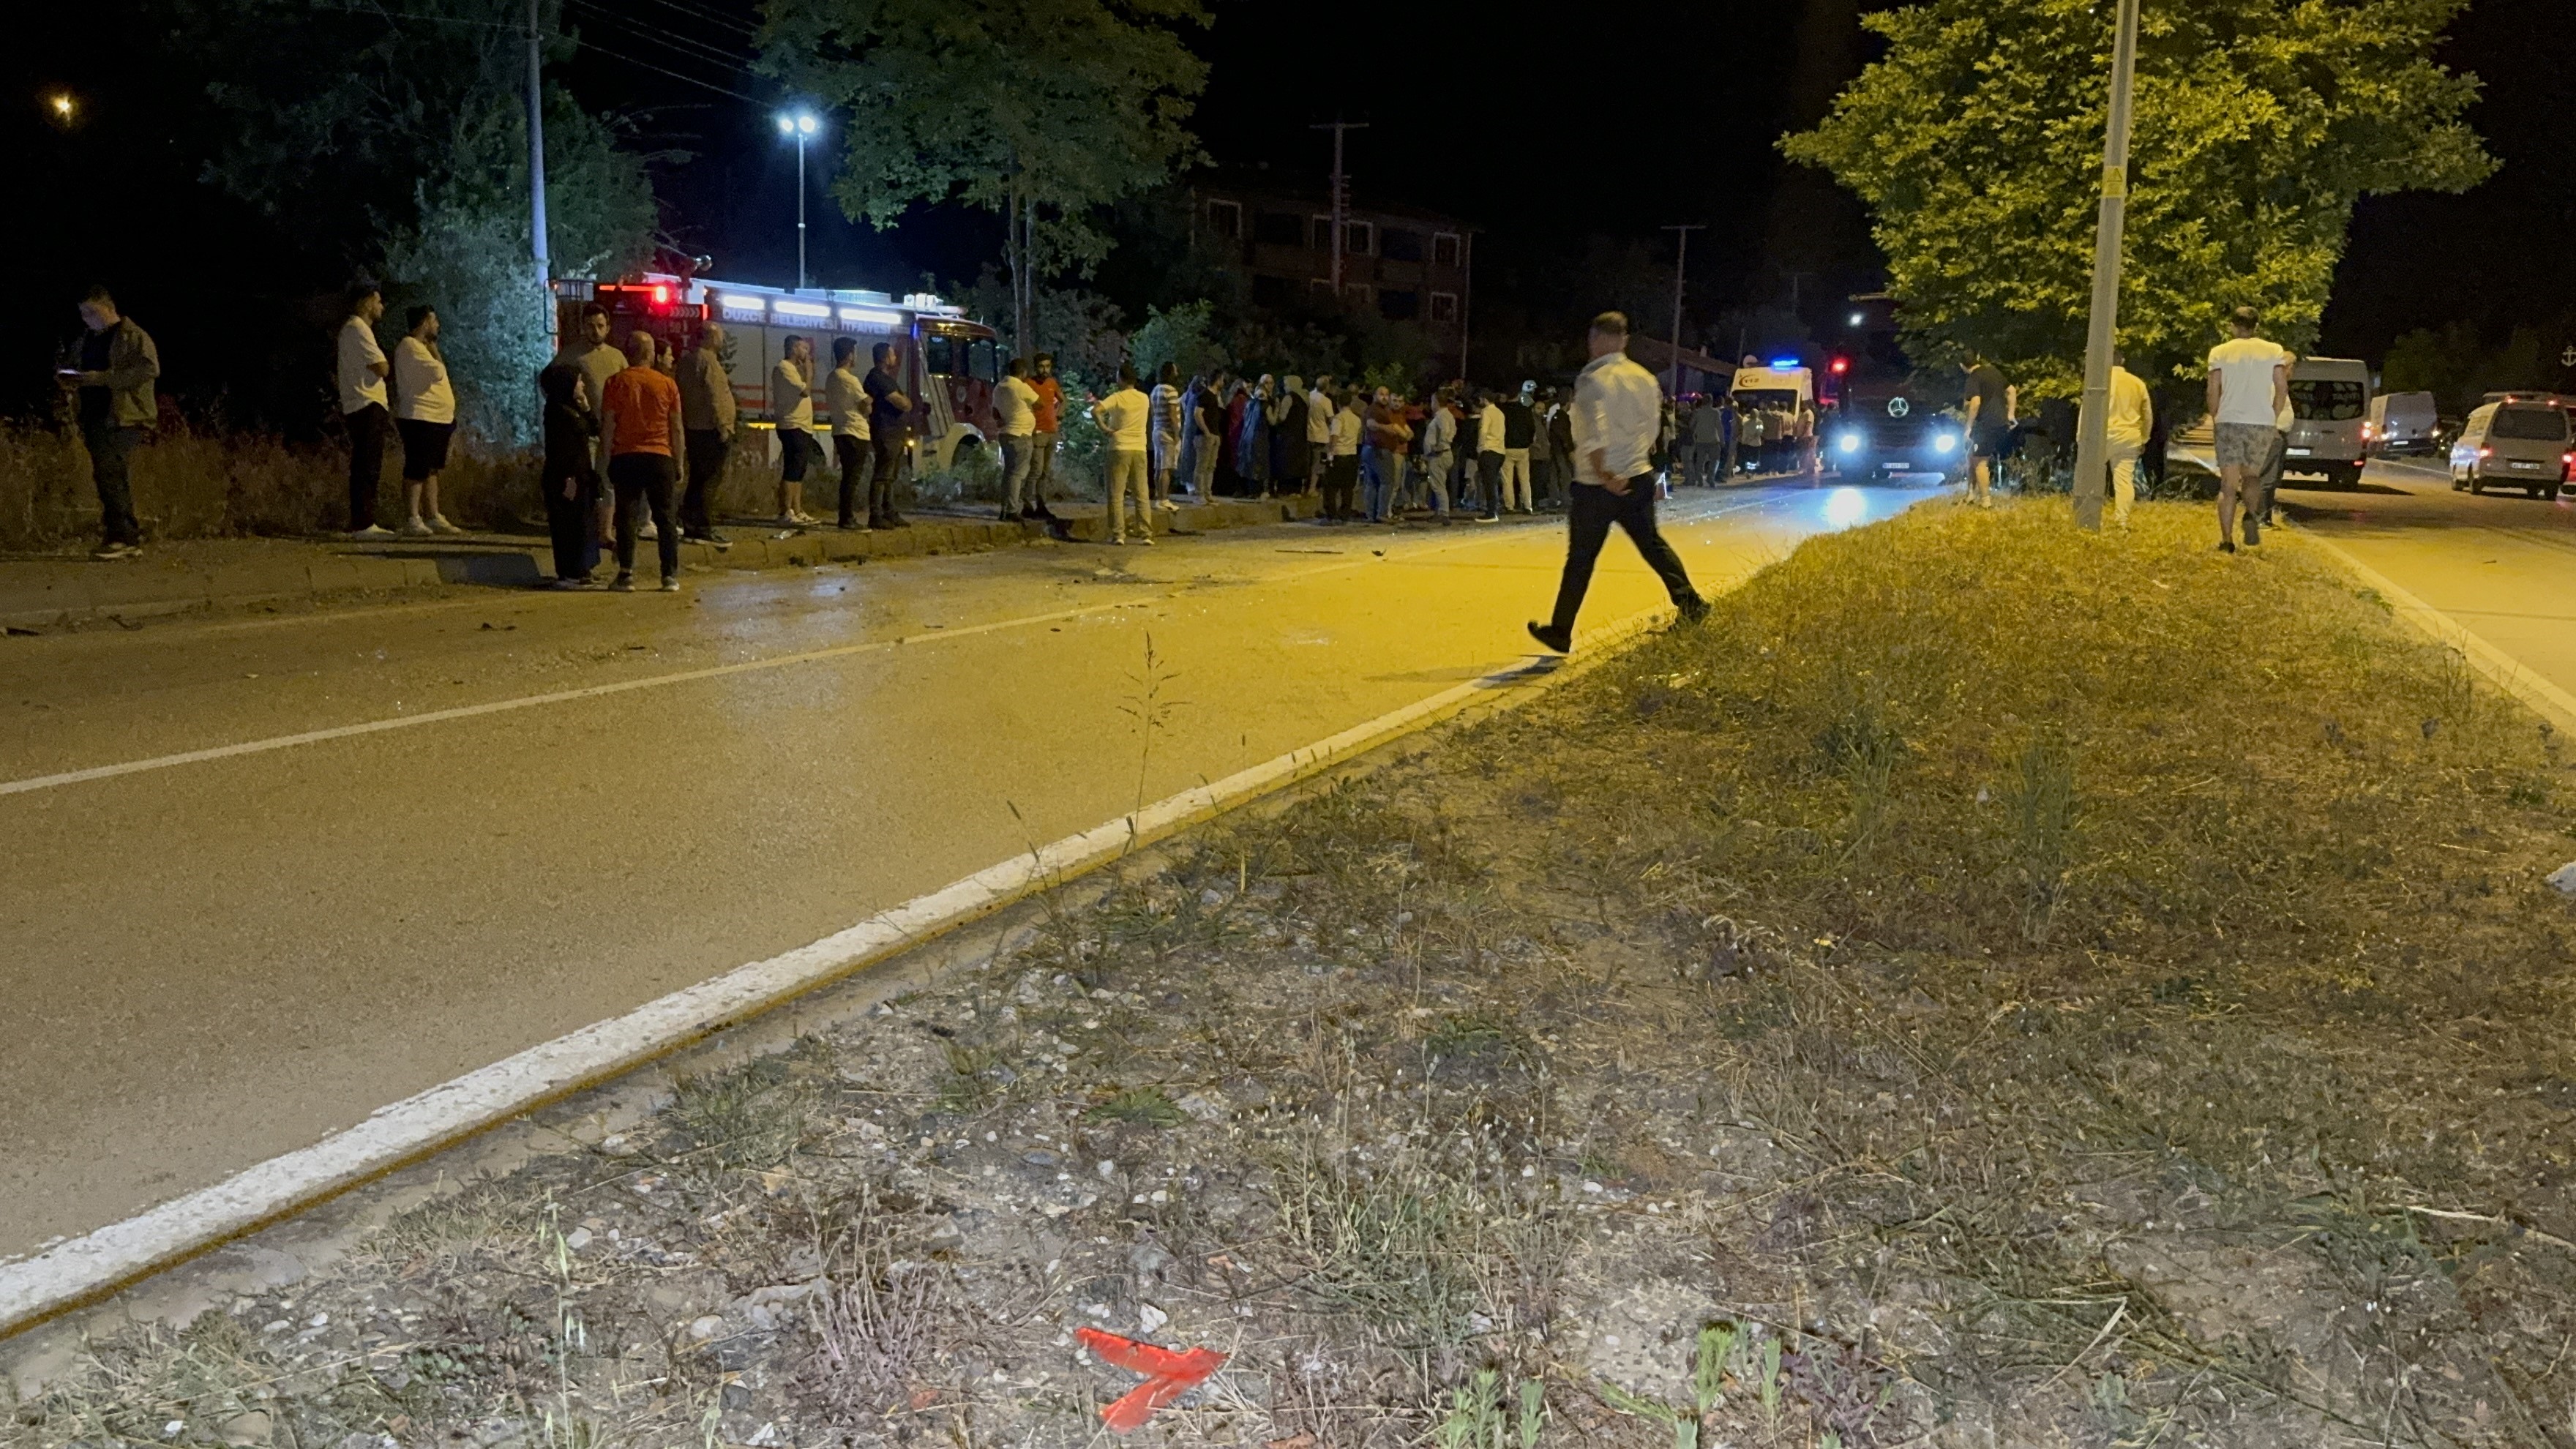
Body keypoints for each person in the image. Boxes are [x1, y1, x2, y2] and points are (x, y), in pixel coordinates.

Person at [1527, 312, 1707, 654]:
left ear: (1598, 338)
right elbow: (1653, 428)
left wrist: (1606, 475)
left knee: (1581, 558)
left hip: (1599, 484)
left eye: (1592, 339)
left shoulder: (1593, 379)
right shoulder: (1644, 378)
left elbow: (1595, 433)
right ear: (1623, 339)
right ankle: (1692, 604)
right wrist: (1636, 465)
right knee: (1652, 544)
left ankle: (1561, 631)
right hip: (1637, 476)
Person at [59, 286, 160, 560]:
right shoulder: (87, 338)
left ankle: (123, 538)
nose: (87, 318)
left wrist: (100, 378)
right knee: (108, 474)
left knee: (110, 472)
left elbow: (150, 369)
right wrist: (72, 378)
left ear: (108, 308)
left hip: (125, 416)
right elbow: (77, 367)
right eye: (83, 313)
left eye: (92, 312)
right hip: (95, 415)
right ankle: (125, 536)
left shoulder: (132, 336)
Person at [599, 330, 684, 591]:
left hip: (626, 457)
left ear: (628, 353)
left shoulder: (615, 383)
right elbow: (676, 428)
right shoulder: (667, 385)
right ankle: (669, 576)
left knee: (627, 515)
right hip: (660, 456)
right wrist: (679, 461)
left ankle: (626, 574)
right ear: (651, 355)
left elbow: (608, 427)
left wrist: (604, 461)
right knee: (666, 517)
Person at [2206, 305, 2289, 552]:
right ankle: (2251, 514)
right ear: (2257, 326)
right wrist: (2272, 415)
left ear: (2232, 325)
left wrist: (2215, 416)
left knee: (2228, 485)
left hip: (2229, 420)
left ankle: (2227, 541)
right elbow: (2281, 387)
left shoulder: (2219, 352)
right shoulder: (2273, 350)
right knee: (2252, 476)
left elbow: (2213, 389)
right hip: (2261, 421)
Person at [559, 302, 626, 545]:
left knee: (608, 481)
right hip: (583, 432)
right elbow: (552, 384)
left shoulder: (617, 357)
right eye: (590, 326)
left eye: (600, 326)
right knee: (584, 481)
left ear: (608, 328)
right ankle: (583, 530)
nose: (595, 331)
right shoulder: (571, 355)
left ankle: (605, 533)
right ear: (582, 327)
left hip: (610, 432)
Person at [390, 305, 460, 535]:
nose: (438, 325)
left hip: (437, 418)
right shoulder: (410, 346)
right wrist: (435, 354)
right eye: (434, 320)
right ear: (424, 322)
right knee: (417, 467)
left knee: (431, 469)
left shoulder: (423, 348)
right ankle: (412, 517)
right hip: (421, 416)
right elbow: (437, 372)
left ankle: (433, 514)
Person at [537, 360, 602, 586]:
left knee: (582, 524)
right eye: (579, 381)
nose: (582, 385)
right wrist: (570, 480)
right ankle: (570, 572)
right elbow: (561, 451)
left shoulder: (572, 408)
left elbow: (596, 429)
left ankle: (582, 569)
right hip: (566, 477)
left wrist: (585, 407)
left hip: (580, 476)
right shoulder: (557, 411)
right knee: (569, 525)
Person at [337, 283, 392, 537]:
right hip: (367, 402)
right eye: (378, 301)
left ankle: (362, 520)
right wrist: (382, 365)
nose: (382, 307)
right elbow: (382, 367)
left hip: (362, 403)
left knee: (365, 463)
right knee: (368, 464)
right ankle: (363, 522)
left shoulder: (354, 330)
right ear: (367, 302)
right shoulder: (358, 329)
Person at [675, 321, 734, 549]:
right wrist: (723, 425)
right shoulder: (709, 361)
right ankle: (703, 527)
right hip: (710, 429)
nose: (722, 340)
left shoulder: (687, 360)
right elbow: (715, 395)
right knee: (710, 479)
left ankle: (690, 524)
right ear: (709, 337)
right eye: (719, 336)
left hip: (693, 426)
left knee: (697, 478)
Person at [1094, 363, 1154, 545]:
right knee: (1141, 493)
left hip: (1119, 447)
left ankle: (1118, 534)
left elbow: (1096, 410)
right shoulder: (1144, 398)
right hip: (1139, 448)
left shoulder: (1117, 398)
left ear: (1120, 378)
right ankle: (1145, 533)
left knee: (1116, 493)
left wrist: (1105, 428)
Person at [862, 340, 912, 528]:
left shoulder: (885, 378)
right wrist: (906, 402)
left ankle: (889, 512)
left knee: (890, 475)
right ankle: (876, 515)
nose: (895, 358)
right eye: (892, 354)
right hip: (886, 432)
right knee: (883, 474)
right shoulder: (877, 378)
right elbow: (901, 402)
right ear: (884, 358)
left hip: (894, 433)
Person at [771, 334, 819, 526]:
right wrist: (809, 371)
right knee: (791, 470)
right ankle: (785, 511)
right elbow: (805, 391)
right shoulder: (784, 369)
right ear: (793, 349)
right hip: (792, 425)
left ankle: (797, 510)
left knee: (799, 471)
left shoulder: (793, 370)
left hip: (802, 426)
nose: (807, 353)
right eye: (803, 348)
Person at [2104, 347, 2153, 528]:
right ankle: (2121, 521)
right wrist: (2144, 438)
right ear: (2122, 360)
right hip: (2128, 436)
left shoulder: (2099, 381)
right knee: (2124, 480)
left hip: (2102, 435)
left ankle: (2087, 516)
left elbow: (2087, 410)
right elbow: (2147, 414)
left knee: (2091, 476)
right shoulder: (2137, 383)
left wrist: (2081, 436)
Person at [1962, 351, 2012, 507]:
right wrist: (2010, 414)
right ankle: (1970, 494)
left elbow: (1976, 402)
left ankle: (1986, 502)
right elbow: (2012, 391)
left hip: (1986, 424)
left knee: (1980, 462)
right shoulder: (1993, 372)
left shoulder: (1974, 378)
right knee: (1972, 455)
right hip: (2002, 423)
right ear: (1977, 358)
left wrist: (1968, 427)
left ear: (1962, 366)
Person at [994, 355, 1041, 521]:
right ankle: (1013, 510)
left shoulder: (999, 387)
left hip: (1006, 433)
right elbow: (1039, 403)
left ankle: (1004, 509)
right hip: (1020, 434)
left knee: (1008, 473)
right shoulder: (1020, 386)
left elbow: (995, 412)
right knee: (1018, 474)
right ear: (1023, 372)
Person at [1360, 386, 1412, 523]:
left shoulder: (1381, 410)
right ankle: (1382, 513)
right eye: (1381, 394)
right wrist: (1387, 428)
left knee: (1372, 483)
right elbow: (1371, 424)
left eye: (1386, 394)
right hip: (1378, 450)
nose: (1384, 397)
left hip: (1372, 449)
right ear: (1375, 396)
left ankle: (1371, 514)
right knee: (1388, 481)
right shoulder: (1374, 410)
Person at [1149, 362, 1186, 509]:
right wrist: (1176, 434)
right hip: (1168, 433)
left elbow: (1152, 412)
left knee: (1158, 467)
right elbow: (1172, 415)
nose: (1177, 373)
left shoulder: (1155, 390)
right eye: (1175, 370)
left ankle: (1159, 497)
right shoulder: (1171, 391)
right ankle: (1164, 499)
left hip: (1157, 430)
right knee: (1167, 467)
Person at [1028, 353, 1063, 503]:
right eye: (1042, 366)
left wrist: (1059, 415)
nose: (1045, 370)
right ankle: (1027, 502)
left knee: (1045, 471)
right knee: (1036, 469)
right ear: (1036, 367)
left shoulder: (1052, 383)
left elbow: (1063, 400)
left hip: (1052, 431)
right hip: (1037, 432)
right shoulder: (1029, 383)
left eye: (1048, 366)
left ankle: (1041, 503)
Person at [1416, 387, 1456, 520]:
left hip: (1439, 455)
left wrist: (1439, 445)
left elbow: (1445, 432)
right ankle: (1440, 511)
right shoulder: (1448, 415)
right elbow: (1453, 431)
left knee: (1438, 486)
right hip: (1445, 453)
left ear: (1437, 402)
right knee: (1440, 484)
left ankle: (1443, 513)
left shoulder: (1441, 416)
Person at [1324, 389, 1363, 520]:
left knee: (1331, 487)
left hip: (1339, 454)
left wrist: (1330, 453)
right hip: (1352, 455)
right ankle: (1345, 513)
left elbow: (1335, 436)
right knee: (1347, 488)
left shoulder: (1339, 418)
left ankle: (1332, 514)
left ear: (1338, 403)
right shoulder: (1357, 420)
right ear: (1350, 403)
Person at [1272, 375, 1310, 500]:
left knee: (1287, 463)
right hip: (1300, 436)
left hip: (1288, 435)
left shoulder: (1289, 397)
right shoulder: (1305, 398)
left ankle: (1285, 490)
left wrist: (1276, 411)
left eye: (1287, 384)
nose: (1285, 387)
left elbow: (1282, 417)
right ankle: (1296, 490)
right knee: (1298, 463)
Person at [1476, 389, 1508, 520]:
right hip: (1500, 450)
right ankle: (1493, 509)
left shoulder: (1487, 411)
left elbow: (1483, 430)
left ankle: (1491, 512)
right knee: (1493, 481)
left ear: (1485, 399)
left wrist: (1480, 447)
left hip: (1489, 450)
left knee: (1489, 483)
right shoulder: (1500, 413)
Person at [1306, 375, 1335, 493]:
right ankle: (1312, 488)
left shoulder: (1309, 396)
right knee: (1318, 464)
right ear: (1326, 387)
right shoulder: (1325, 401)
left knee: (1309, 462)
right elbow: (1331, 418)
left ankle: (1306, 486)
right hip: (1321, 436)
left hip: (1308, 433)